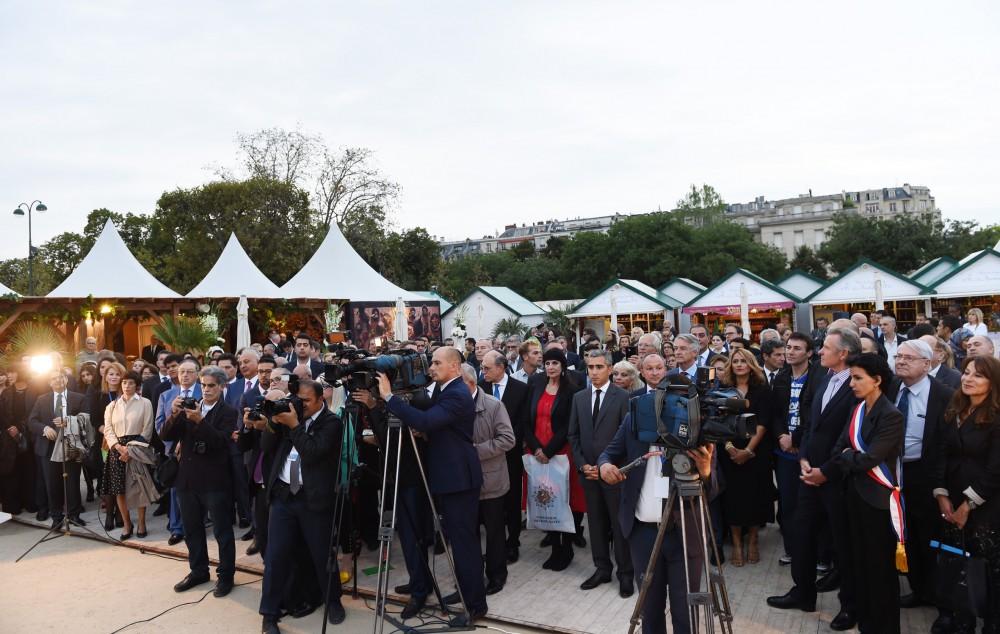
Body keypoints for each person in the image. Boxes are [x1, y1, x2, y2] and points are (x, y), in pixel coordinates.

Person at [377, 347, 488, 625]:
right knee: (459, 542)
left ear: (454, 366)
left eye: (437, 363)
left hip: (459, 478)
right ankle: (466, 593)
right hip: (449, 476)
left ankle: (475, 606)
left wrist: (389, 397)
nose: (431, 368)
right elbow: (434, 424)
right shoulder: (443, 389)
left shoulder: (456, 392)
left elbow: (427, 419)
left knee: (464, 545)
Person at [802, 353, 904, 633]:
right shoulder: (858, 409)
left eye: (858, 378)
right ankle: (867, 623)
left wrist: (849, 456)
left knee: (879, 570)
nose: (852, 384)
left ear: (877, 380)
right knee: (858, 565)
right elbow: (839, 450)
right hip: (852, 497)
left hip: (877, 503)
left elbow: (870, 459)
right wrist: (849, 456)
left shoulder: (891, 415)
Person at [767, 327, 862, 631]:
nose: (820, 352)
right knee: (801, 533)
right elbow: (810, 424)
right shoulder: (824, 379)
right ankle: (803, 592)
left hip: (837, 478)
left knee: (842, 545)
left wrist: (827, 470)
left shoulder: (857, 385)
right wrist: (805, 458)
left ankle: (850, 606)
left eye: (826, 348)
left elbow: (851, 436)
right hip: (809, 472)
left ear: (843, 353)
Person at [598, 417, 716, 634]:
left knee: (686, 613)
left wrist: (706, 471)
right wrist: (604, 466)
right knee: (650, 612)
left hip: (685, 535)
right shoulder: (634, 417)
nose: (656, 380)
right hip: (643, 534)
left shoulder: (694, 418)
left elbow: (714, 489)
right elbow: (607, 454)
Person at [259, 378, 346, 633]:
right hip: (284, 496)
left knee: (322, 555)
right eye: (299, 399)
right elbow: (266, 447)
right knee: (275, 557)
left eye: (306, 400)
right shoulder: (289, 417)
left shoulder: (332, 423)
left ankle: (333, 601)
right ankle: (269, 614)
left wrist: (294, 425)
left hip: (313, 498)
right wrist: (274, 424)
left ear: (321, 399)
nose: (301, 404)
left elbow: (313, 453)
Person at [885, 339, 954, 626]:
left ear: (927, 364)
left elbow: (948, 446)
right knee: (906, 536)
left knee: (932, 540)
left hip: (926, 476)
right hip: (893, 474)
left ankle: (945, 605)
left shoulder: (944, 395)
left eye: (908, 358)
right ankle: (919, 590)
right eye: (898, 356)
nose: (900, 361)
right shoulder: (890, 388)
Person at [933, 355, 1000, 633]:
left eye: (978, 375)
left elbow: (995, 470)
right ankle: (962, 620)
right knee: (957, 564)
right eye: (966, 372)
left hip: (986, 507)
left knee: (988, 571)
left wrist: (966, 506)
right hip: (951, 499)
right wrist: (942, 495)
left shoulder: (996, 417)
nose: (968, 379)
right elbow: (940, 453)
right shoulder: (955, 408)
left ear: (993, 382)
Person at [161, 366, 237, 599]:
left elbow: (220, 443)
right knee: (192, 529)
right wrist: (174, 414)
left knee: (222, 531)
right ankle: (198, 571)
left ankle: (226, 576)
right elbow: (166, 436)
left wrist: (200, 421)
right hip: (187, 479)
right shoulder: (190, 406)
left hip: (215, 481)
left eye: (211, 385)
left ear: (222, 387)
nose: (206, 390)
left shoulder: (228, 412)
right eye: (203, 385)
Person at [568, 349, 634, 596]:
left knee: (619, 526)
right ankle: (602, 569)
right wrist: (583, 464)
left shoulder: (623, 397)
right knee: (595, 523)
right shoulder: (579, 398)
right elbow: (573, 435)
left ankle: (625, 574)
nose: (593, 372)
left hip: (613, 473)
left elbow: (626, 437)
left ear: (609, 369)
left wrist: (609, 466)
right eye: (590, 367)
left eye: (598, 367)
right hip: (588, 473)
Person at [524, 348, 586, 570]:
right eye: (547, 363)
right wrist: (536, 447)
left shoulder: (571, 390)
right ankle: (554, 549)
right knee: (545, 500)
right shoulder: (535, 385)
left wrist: (548, 451)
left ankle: (566, 550)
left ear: (563, 366)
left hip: (560, 453)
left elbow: (568, 426)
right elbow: (526, 419)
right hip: (537, 452)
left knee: (563, 502)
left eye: (555, 363)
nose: (550, 367)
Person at [460, 363, 515, 596]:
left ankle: (496, 575)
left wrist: (474, 451)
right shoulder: (451, 406)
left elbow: (507, 439)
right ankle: (472, 576)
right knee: (467, 533)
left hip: (491, 481)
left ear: (470, 383)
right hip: (463, 482)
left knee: (493, 533)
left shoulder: (493, 405)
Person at [717, 348, 774, 566]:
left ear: (751, 364)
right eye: (735, 361)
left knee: (754, 497)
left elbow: (763, 422)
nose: (739, 365)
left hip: (756, 451)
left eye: (744, 361)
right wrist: (731, 448)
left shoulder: (762, 389)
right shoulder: (723, 389)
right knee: (733, 498)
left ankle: (752, 541)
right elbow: (719, 422)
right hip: (729, 450)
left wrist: (748, 451)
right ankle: (737, 544)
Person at [770, 332, 819, 564]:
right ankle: (792, 550)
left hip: (808, 452)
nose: (790, 352)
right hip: (784, 454)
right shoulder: (781, 377)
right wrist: (781, 435)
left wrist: (795, 439)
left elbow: (815, 416)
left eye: (797, 348)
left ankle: (817, 554)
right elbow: (776, 412)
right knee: (788, 504)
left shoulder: (818, 378)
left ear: (809, 353)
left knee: (811, 505)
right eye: (788, 347)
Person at [479, 350, 530, 563]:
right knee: (491, 503)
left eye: (487, 368)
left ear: (501, 367)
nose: (483, 372)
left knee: (512, 499)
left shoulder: (521, 389)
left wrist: (505, 443)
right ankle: (496, 544)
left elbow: (523, 421)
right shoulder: (482, 389)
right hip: (487, 456)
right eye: (482, 368)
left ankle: (513, 542)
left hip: (511, 454)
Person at [28, 368, 90, 528]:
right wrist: (44, 429)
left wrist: (69, 421)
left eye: (60, 377)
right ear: (49, 382)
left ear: (66, 379)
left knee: (73, 482)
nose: (57, 380)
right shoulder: (42, 399)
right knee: (52, 483)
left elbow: (86, 419)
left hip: (71, 446)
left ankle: (74, 514)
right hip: (48, 448)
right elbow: (32, 421)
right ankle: (56, 517)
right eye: (53, 378)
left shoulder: (79, 398)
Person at [101, 370, 155, 540]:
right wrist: (118, 447)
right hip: (116, 451)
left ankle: (141, 523)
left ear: (137, 385)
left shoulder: (145, 403)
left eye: (131, 383)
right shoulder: (112, 406)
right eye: (124, 383)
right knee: (119, 490)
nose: (127, 386)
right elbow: (108, 429)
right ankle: (126, 524)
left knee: (138, 487)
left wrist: (130, 451)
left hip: (137, 449)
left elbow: (147, 430)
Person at [157, 358, 201, 545]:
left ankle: (198, 524)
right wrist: (172, 413)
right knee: (176, 492)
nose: (184, 375)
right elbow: (159, 427)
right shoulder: (167, 396)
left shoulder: (205, 391)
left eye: (189, 371)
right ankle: (176, 528)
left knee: (199, 491)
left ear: (197, 374)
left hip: (199, 449)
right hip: (174, 453)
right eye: (182, 371)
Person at [0, 363, 39, 517]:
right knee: (12, 471)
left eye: (13, 372)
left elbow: (35, 412)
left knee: (29, 470)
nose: (9, 375)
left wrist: (20, 428)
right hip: (9, 437)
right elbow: (2, 413)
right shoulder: (7, 392)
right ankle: (13, 505)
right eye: (8, 373)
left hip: (28, 435)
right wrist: (10, 428)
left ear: (21, 373)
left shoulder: (33, 390)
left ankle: (31, 502)